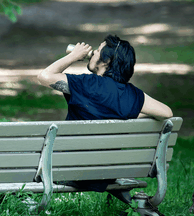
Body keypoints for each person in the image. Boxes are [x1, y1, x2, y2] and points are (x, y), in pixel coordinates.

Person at [37, 35, 173, 191]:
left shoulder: (86, 84)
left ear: (107, 61)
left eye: (97, 50)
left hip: (68, 170)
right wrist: (129, 114)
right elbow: (166, 113)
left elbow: (44, 76)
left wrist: (73, 56)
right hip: (105, 174)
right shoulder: (132, 95)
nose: (93, 53)